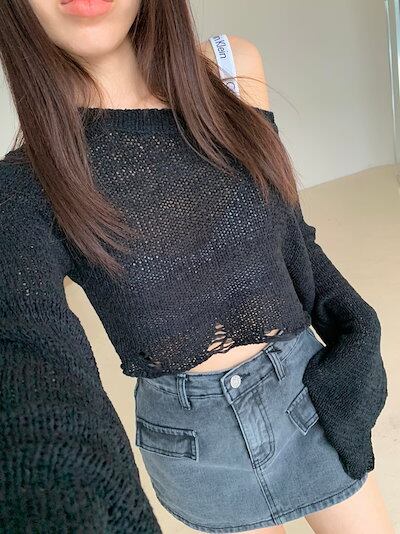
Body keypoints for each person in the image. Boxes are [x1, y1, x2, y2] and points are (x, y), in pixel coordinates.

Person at [0, 1, 392, 533]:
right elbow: (27, 353)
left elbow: (291, 236)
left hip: (307, 394)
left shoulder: (231, 69)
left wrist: (357, 330)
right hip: (194, 446)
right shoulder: (28, 183)